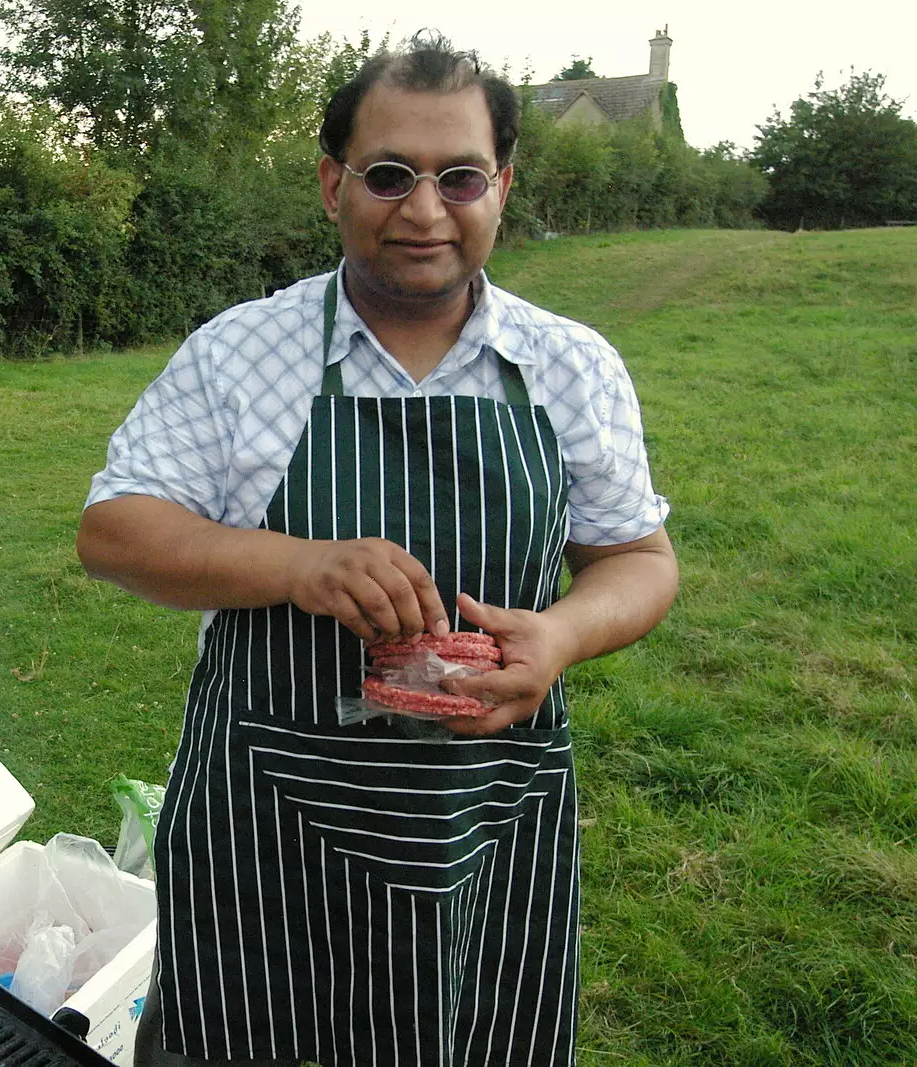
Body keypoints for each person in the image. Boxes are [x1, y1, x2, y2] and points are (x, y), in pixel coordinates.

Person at [76, 32, 679, 1067]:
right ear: (330, 183)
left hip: (487, 818)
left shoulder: (569, 365)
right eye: (389, 174)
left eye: (459, 177)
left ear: (502, 186)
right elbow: (114, 531)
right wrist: (297, 564)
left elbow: (638, 557)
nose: (424, 209)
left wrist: (565, 634)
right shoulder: (238, 352)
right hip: (265, 823)